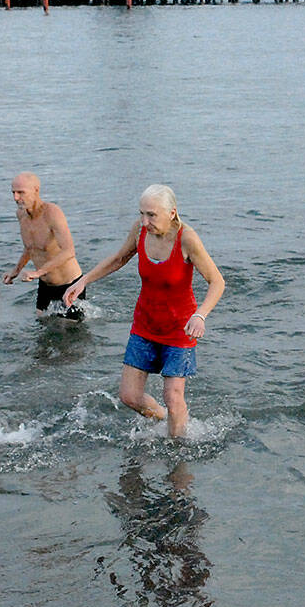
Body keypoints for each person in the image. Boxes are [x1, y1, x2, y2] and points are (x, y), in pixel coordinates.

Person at [63, 184, 224, 438]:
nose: (144, 221)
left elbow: (217, 281)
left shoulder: (187, 239)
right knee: (129, 396)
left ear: (172, 213)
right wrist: (83, 281)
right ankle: (168, 422)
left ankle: (177, 450)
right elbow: (119, 258)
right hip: (145, 325)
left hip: (179, 329)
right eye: (142, 213)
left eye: (151, 215)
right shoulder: (140, 231)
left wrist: (200, 315)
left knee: (173, 396)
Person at [2, 172, 86, 319]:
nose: (16, 198)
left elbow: (69, 251)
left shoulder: (52, 213)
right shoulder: (21, 215)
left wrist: (37, 273)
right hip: (45, 284)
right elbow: (30, 247)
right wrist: (15, 271)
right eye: (13, 193)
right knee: (42, 329)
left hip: (68, 283)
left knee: (70, 336)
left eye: (21, 192)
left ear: (36, 190)